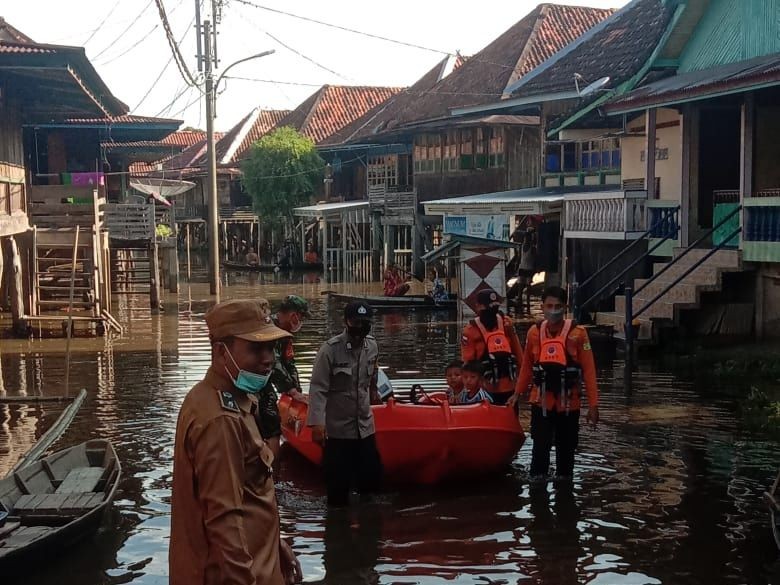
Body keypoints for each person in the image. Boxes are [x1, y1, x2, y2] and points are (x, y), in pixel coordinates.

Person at [170, 299, 302, 585]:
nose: (268, 358)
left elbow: (249, 495)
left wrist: (277, 545)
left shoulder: (219, 398)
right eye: (255, 348)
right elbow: (224, 523)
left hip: (260, 564)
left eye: (271, 347)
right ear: (221, 351)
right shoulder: (221, 420)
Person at [508, 286, 599, 480]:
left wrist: (593, 405)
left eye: (558, 306)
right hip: (541, 401)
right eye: (549, 305)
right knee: (539, 451)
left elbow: (589, 371)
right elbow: (526, 365)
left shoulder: (579, 334)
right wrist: (517, 393)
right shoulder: (534, 333)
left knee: (566, 454)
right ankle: (538, 496)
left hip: (569, 403)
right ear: (542, 307)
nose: (553, 310)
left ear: (565, 307)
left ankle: (565, 493)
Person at [307, 301, 383, 507]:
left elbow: (372, 375)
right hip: (338, 430)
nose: (360, 326)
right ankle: (337, 533)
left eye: (365, 322)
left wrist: (375, 391)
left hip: (365, 428)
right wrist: (316, 423)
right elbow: (318, 388)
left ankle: (369, 531)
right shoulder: (330, 350)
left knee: (371, 484)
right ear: (346, 321)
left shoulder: (372, 346)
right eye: (355, 321)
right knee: (337, 490)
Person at [255, 295, 311, 459]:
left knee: (270, 414)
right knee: (270, 416)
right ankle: (272, 471)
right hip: (254, 379)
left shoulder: (285, 335)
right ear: (294, 316)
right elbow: (274, 363)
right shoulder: (268, 329)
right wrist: (291, 391)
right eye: (301, 317)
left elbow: (289, 363)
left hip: (264, 379)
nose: (301, 322)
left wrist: (297, 393)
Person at [461, 289, 524, 405]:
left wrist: (520, 387)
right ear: (478, 306)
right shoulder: (469, 331)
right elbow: (468, 363)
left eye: (495, 307)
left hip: (509, 387)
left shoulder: (507, 324)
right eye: (488, 306)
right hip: (485, 389)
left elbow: (518, 354)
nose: (492, 311)